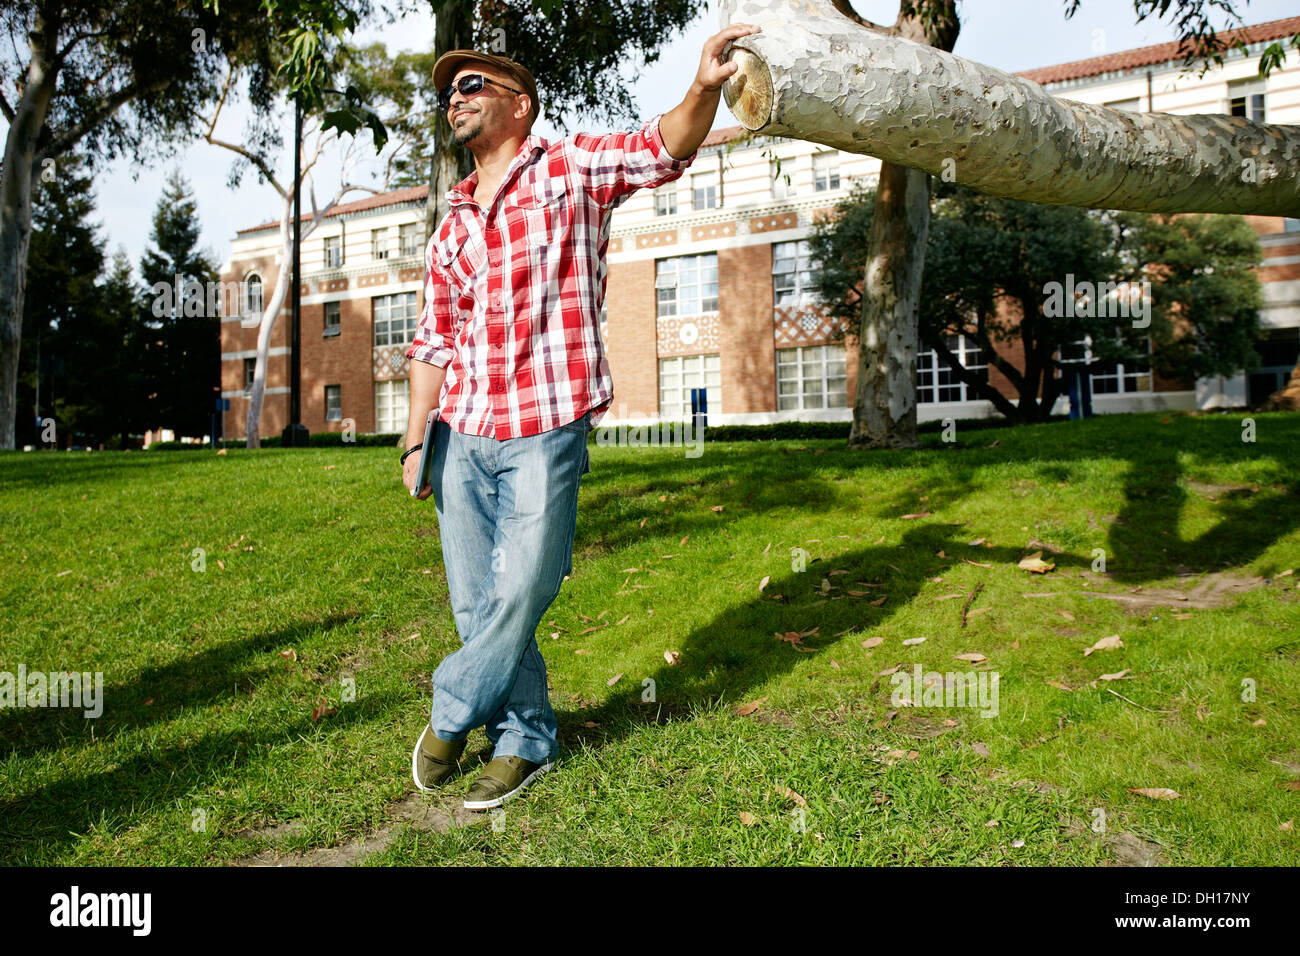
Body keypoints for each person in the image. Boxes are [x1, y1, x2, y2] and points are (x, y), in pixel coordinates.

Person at [402, 22, 761, 811]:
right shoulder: (452, 224)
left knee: (523, 585)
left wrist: (703, 87)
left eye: (471, 86)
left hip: (545, 422)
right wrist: (414, 433)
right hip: (460, 432)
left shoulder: (568, 168)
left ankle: (451, 708)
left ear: (520, 105)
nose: (454, 99)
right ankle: (526, 739)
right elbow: (435, 337)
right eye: (447, 91)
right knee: (476, 602)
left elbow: (661, 149)